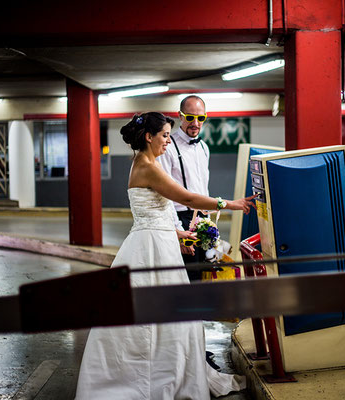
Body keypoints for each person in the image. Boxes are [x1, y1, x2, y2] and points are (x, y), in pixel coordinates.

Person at [75, 112, 255, 400]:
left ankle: (159, 371)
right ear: (149, 137)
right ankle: (152, 378)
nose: (168, 142)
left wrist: (180, 233)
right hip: (152, 249)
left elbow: (155, 213)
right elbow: (186, 198)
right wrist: (230, 203)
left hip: (156, 241)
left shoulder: (145, 163)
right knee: (163, 313)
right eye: (165, 136)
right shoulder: (148, 166)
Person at [158, 95, 211, 280]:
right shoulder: (168, 147)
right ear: (180, 116)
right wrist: (179, 231)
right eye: (190, 117)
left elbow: (204, 188)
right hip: (182, 219)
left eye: (200, 118)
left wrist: (210, 223)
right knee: (187, 278)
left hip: (203, 220)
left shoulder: (204, 147)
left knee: (203, 274)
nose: (195, 123)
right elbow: (164, 195)